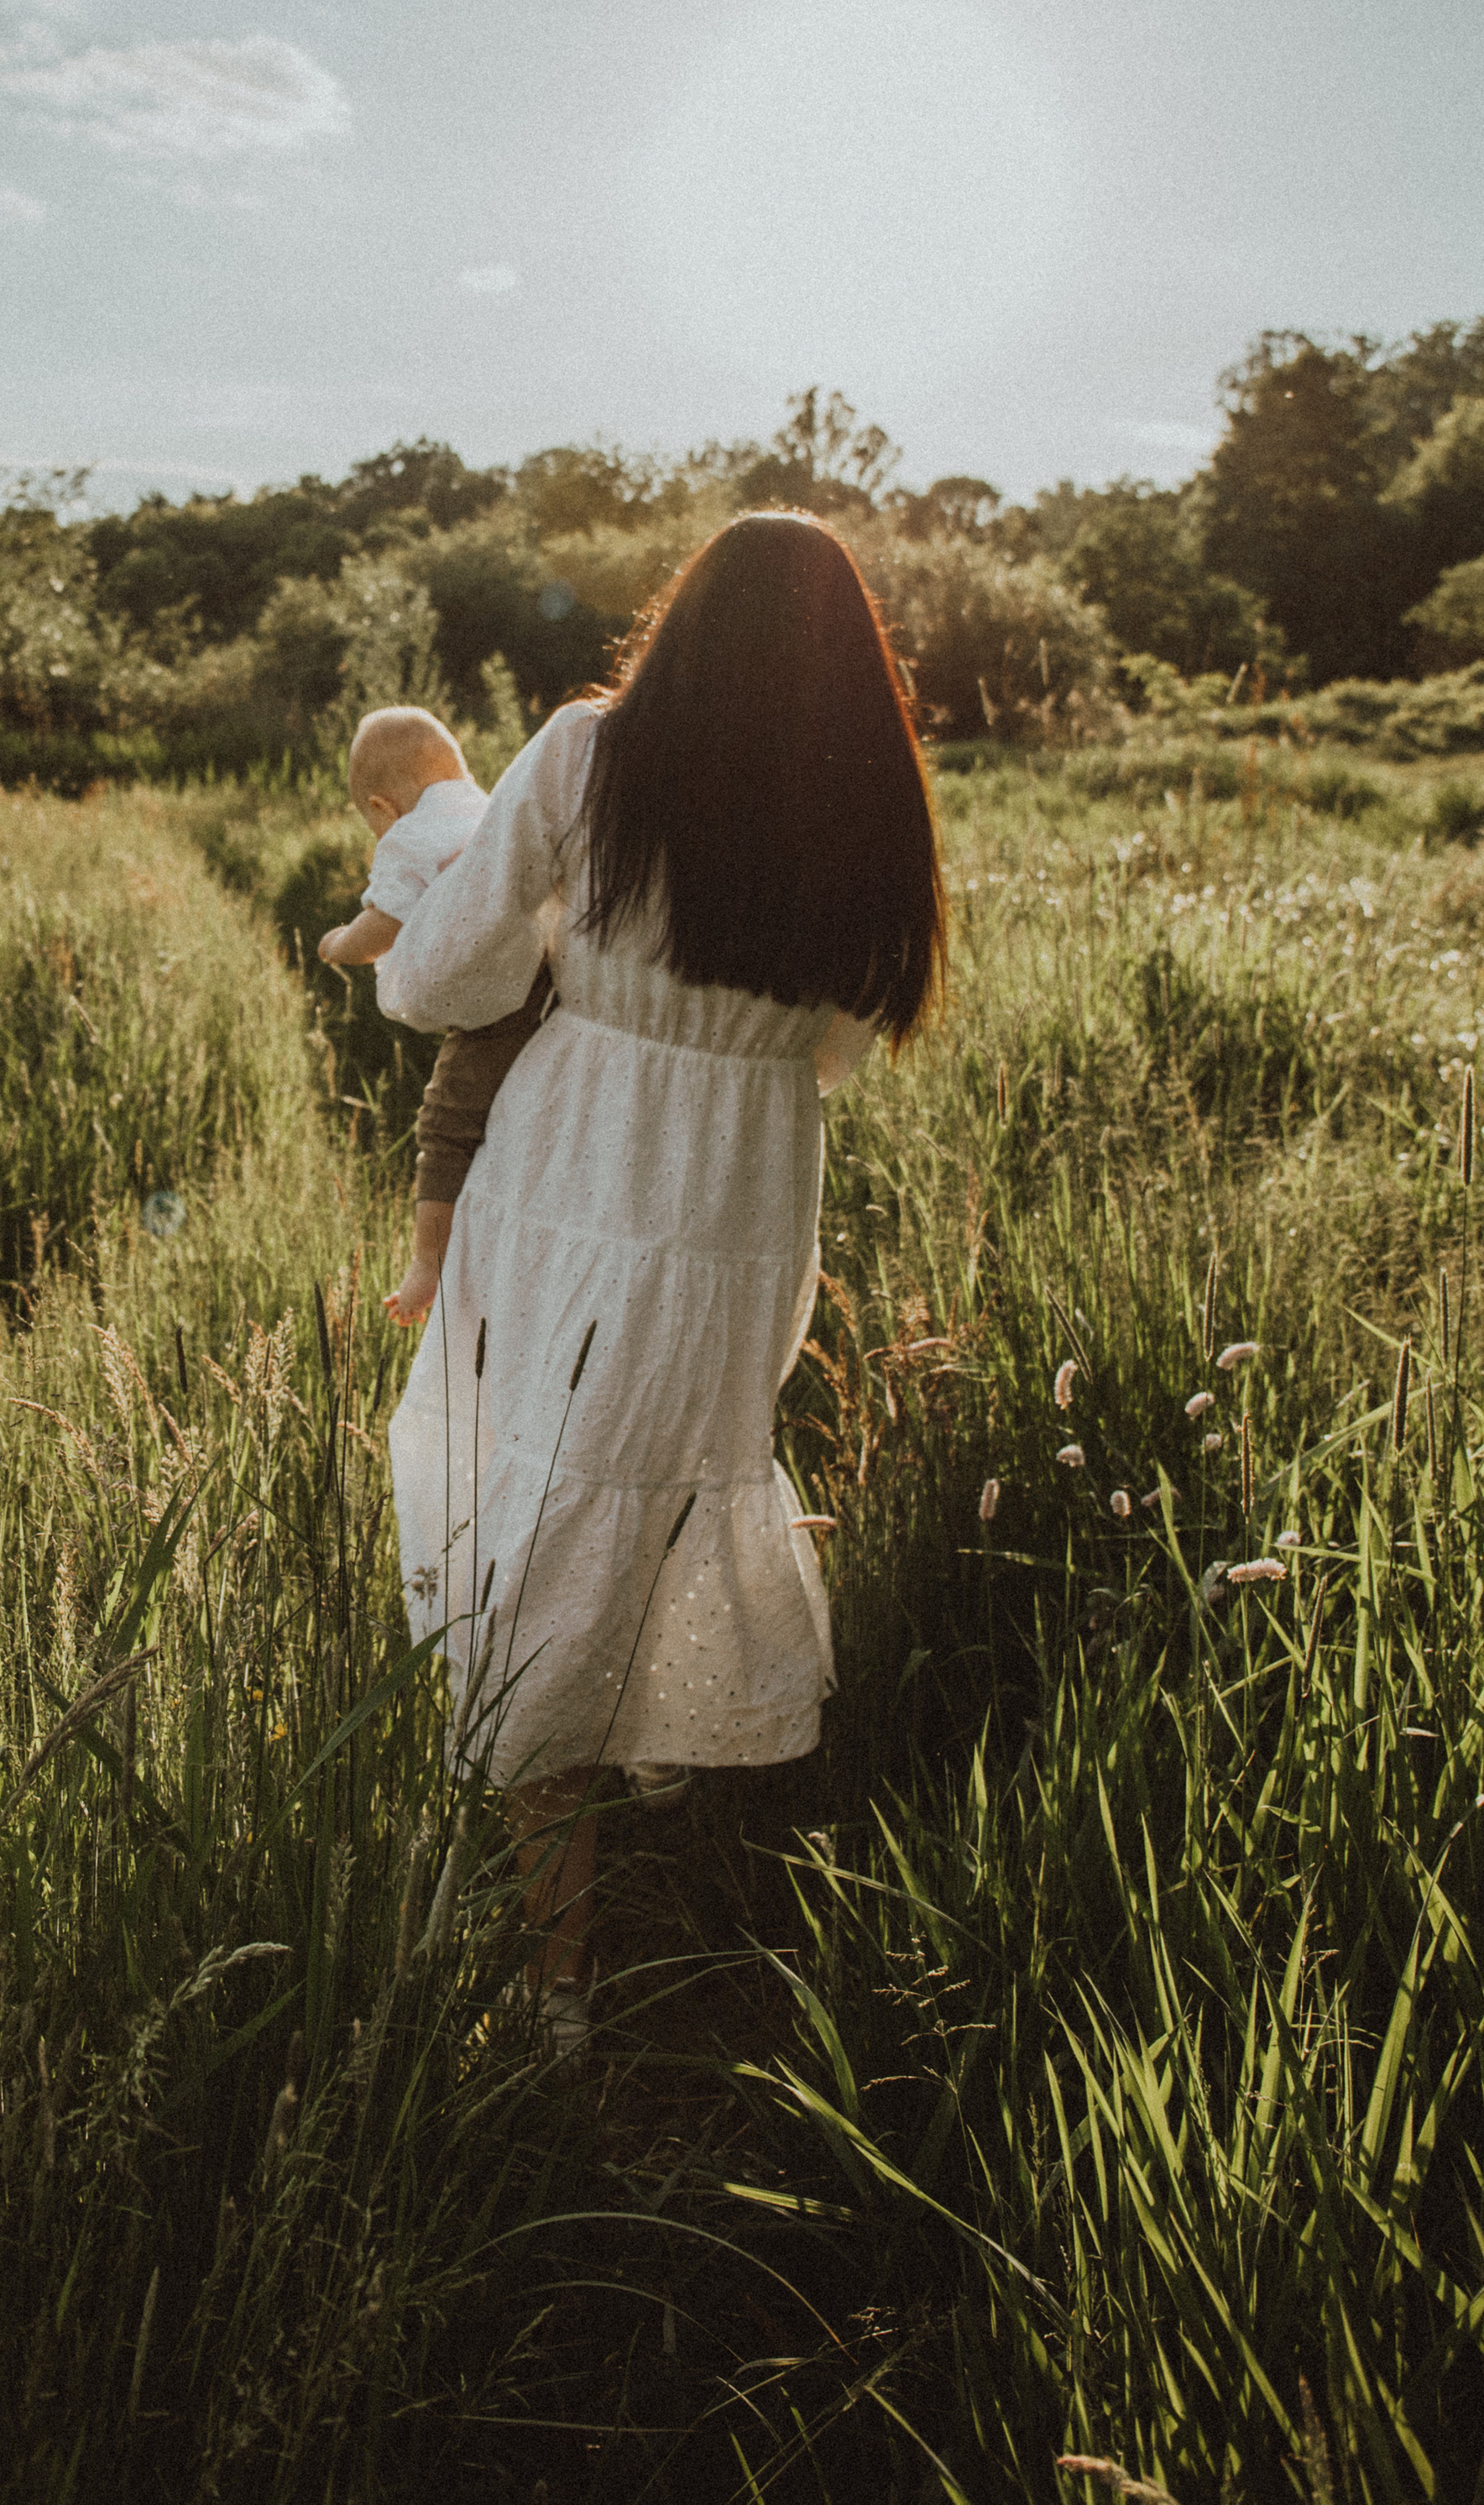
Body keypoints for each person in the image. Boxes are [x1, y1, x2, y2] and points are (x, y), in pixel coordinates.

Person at [374, 513, 946, 2034]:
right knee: (660, 1483)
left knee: (547, 1511)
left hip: (581, 1170)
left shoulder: (584, 754)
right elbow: (835, 1048)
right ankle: (659, 1829)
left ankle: (557, 1984)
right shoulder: (863, 805)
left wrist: (568, 948)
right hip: (748, 1192)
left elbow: (439, 975)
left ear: (683, 621)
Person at [317, 705, 554, 1330]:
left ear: (382, 807)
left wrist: (338, 943)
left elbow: (382, 926)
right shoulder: (489, 809)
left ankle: (427, 1263)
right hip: (548, 985)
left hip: (493, 1013)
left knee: (445, 1125)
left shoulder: (409, 838)